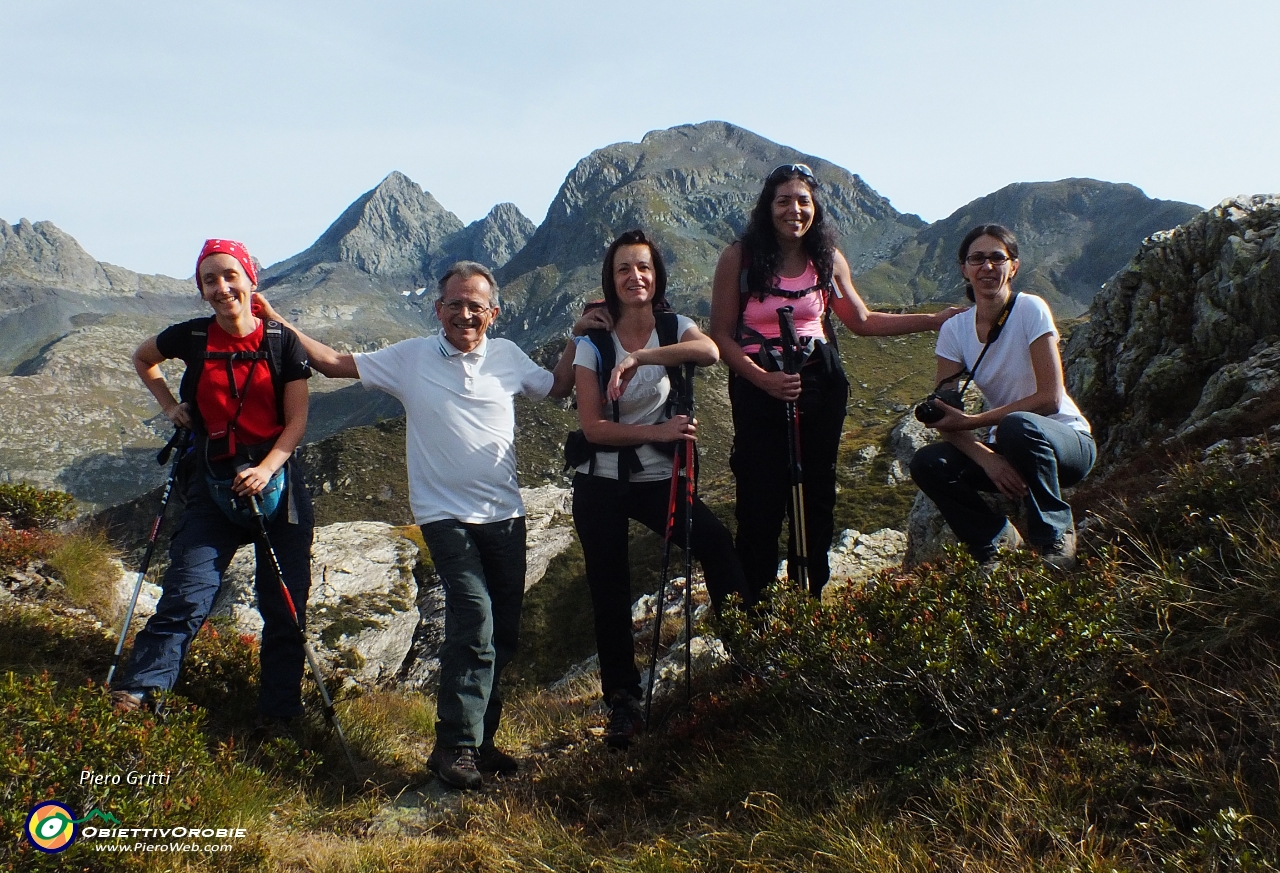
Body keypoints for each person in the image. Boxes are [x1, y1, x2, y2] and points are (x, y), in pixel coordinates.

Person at [256, 261, 599, 790]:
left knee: (501, 635)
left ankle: (480, 742)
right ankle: (453, 747)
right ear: (438, 309)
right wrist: (275, 319)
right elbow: (330, 362)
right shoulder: (410, 357)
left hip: (505, 515)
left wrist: (577, 338)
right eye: (455, 304)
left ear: (493, 314)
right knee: (475, 622)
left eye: (475, 306)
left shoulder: (507, 356)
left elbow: (553, 387)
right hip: (444, 517)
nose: (465, 313)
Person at [709, 163, 962, 600]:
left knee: (817, 492)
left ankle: (808, 600)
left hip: (819, 388)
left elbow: (860, 321)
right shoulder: (740, 258)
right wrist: (763, 380)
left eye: (803, 201)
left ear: (815, 208)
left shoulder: (826, 260)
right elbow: (721, 335)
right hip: (758, 389)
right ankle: (757, 609)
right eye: (784, 200)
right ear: (768, 207)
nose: (794, 210)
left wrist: (933, 321)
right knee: (759, 497)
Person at [111, 239, 315, 732]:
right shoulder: (192, 337)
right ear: (201, 290)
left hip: (277, 488)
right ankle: (140, 690)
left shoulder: (281, 342)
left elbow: (296, 422)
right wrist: (169, 407)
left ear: (251, 279)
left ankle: (280, 713)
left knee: (285, 607)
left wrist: (266, 469)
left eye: (230, 275)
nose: (222, 288)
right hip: (211, 485)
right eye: (210, 280)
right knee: (188, 591)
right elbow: (143, 359)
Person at [570, 230, 748, 750]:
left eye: (644, 268)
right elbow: (593, 428)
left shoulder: (673, 327)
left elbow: (710, 351)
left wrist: (642, 359)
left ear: (656, 275)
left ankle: (747, 654)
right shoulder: (590, 342)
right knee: (609, 589)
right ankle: (622, 702)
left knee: (715, 546)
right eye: (624, 269)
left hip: (657, 481)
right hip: (600, 481)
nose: (635, 277)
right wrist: (660, 433)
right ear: (611, 279)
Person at [909, 224, 1095, 568]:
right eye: (977, 259)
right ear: (964, 269)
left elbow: (1050, 398)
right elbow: (945, 416)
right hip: (1011, 445)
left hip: (1066, 442)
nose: (987, 267)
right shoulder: (954, 330)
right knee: (927, 463)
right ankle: (993, 542)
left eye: (998, 257)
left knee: (1017, 425)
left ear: (1014, 266)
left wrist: (976, 421)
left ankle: (1054, 537)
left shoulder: (1030, 309)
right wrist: (987, 458)